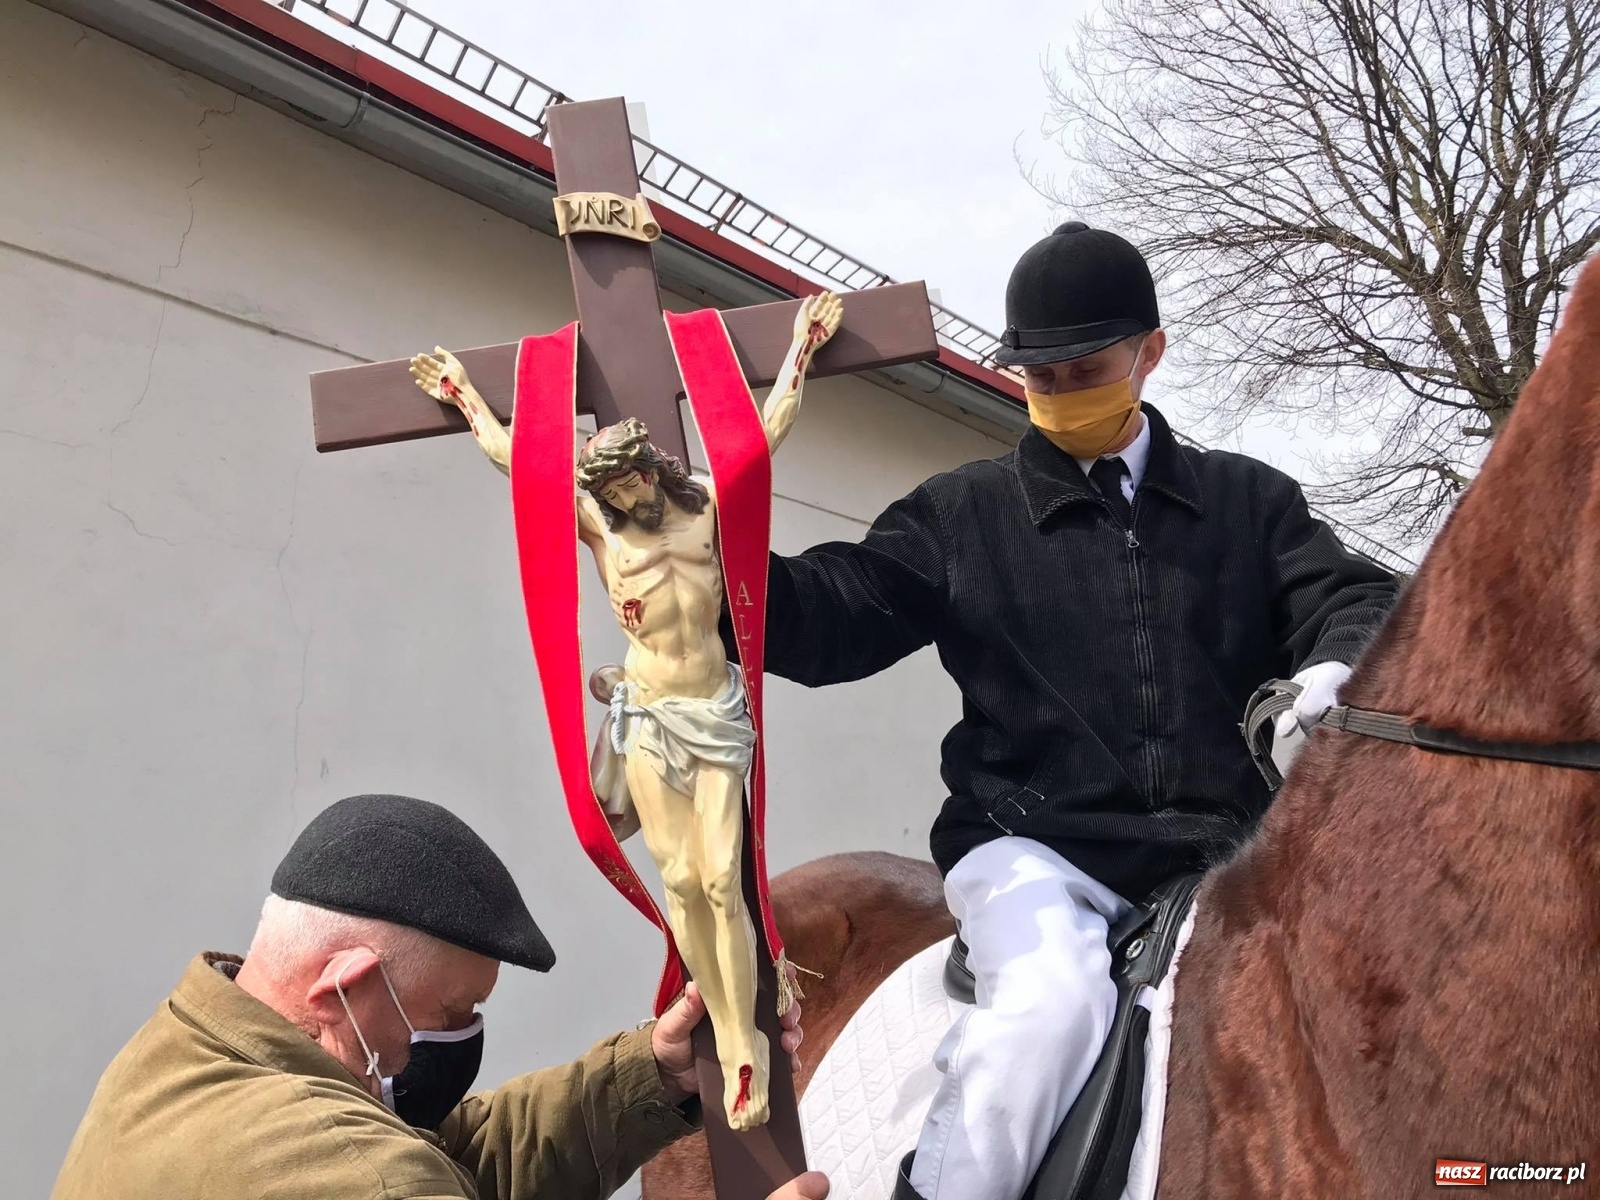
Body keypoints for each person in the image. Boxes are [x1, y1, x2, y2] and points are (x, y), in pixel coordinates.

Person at [744, 222, 1400, 1200]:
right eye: (1038, 379)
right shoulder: (961, 515)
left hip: (1232, 857)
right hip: (1036, 852)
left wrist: (1331, 674)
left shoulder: (1249, 505)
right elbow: (841, 611)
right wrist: (709, 583)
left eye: (1083, 371)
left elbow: (1355, 596)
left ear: (1150, 353)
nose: (1058, 397)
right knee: (1047, 1011)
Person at [409, 291, 843, 1129]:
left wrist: (802, 348)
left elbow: (767, 430)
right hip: (646, 713)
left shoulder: (708, 506)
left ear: (652, 467)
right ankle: (722, 1032)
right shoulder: (602, 530)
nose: (624, 493)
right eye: (607, 485)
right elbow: (518, 464)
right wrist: (467, 396)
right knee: (682, 880)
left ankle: (747, 1042)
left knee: (723, 878)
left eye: (631, 478)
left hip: (711, 707)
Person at [51, 793, 825, 1200]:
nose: (464, 1036)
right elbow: (388, 1175)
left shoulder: (194, 1048)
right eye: (451, 1014)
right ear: (349, 987)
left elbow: (459, 1156)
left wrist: (653, 1074)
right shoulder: (348, 1170)